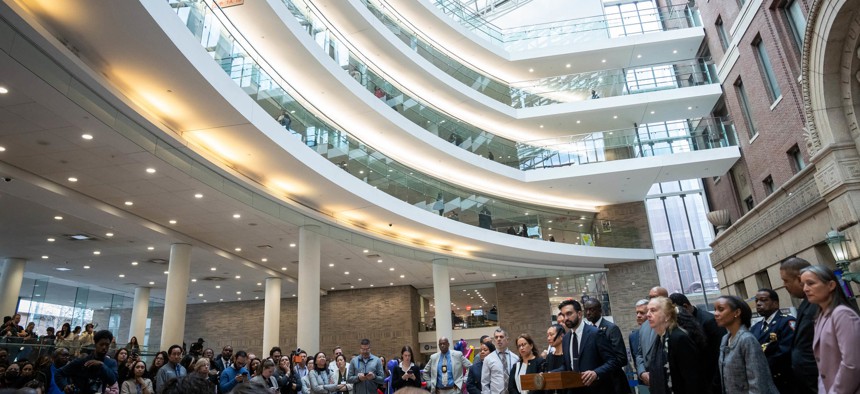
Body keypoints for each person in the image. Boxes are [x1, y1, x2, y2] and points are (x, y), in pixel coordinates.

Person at [800, 265, 860, 393]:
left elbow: (852, 364)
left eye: (810, 283)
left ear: (831, 285)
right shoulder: (820, 315)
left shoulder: (843, 314)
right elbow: (822, 368)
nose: (805, 289)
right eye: (803, 284)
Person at [712, 295, 779, 394]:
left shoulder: (747, 339)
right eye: (715, 309)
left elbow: (758, 382)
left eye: (721, 309)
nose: (716, 314)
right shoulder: (725, 338)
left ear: (737, 312)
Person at [553, 299, 619, 393]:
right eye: (563, 315)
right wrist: (551, 373)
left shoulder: (595, 333)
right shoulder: (566, 338)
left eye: (569, 314)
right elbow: (567, 366)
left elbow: (612, 361)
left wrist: (596, 373)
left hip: (595, 389)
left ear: (579, 314)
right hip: (574, 390)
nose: (566, 318)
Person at [644, 296, 701, 394]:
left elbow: (693, 379)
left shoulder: (679, 338)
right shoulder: (659, 338)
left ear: (667, 315)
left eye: (653, 310)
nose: (648, 314)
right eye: (648, 310)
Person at [779, 257, 819, 394]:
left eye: (786, 281)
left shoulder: (819, 306)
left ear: (799, 279)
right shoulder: (806, 304)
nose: (784, 285)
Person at [748, 288, 796, 393]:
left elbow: (785, 351)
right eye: (756, 301)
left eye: (763, 300)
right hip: (764, 380)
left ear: (775, 304)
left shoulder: (786, 321)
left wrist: (760, 366)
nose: (758, 304)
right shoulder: (756, 327)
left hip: (784, 380)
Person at [583, 299, 630, 394]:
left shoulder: (611, 328)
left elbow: (621, 358)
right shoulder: (587, 331)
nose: (588, 313)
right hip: (596, 383)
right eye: (586, 310)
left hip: (613, 381)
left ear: (600, 310)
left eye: (591, 309)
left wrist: (599, 371)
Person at [54, 329, 119, 394]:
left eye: (107, 345)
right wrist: (65, 386)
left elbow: (113, 380)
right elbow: (59, 373)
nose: (104, 347)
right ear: (95, 344)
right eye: (101, 344)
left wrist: (102, 365)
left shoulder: (111, 363)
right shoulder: (82, 361)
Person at [481, 328, 517, 394]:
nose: (499, 339)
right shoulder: (488, 359)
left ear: (507, 340)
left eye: (501, 337)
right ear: (494, 340)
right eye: (496, 337)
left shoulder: (515, 358)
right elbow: (485, 383)